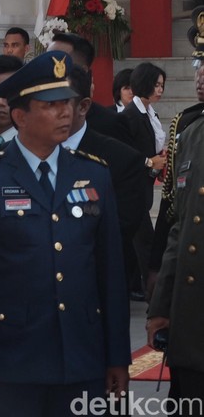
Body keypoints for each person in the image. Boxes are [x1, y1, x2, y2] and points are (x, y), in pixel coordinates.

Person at [0, 51, 130, 417]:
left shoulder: (94, 174)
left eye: (68, 102)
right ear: (20, 116)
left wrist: (117, 356)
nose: (65, 112)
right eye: (51, 104)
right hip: (12, 361)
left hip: (82, 356)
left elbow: (110, 271)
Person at [147, 9, 204, 414]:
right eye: (199, 63)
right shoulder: (191, 133)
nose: (199, 74)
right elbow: (179, 229)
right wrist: (160, 308)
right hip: (191, 325)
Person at [64, 65, 147, 295]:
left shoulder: (119, 159)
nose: (52, 112)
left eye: (61, 103)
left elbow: (122, 226)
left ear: (83, 106)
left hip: (93, 285)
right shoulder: (28, 155)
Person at [121, 62, 168, 300]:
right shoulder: (130, 115)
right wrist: (150, 162)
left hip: (145, 186)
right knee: (145, 242)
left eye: (162, 85)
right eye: (156, 85)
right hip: (132, 189)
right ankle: (152, 290)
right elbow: (124, 154)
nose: (160, 90)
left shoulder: (151, 113)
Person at [48, 33, 134, 147]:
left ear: (82, 70)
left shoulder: (111, 124)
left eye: (56, 62)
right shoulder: (33, 115)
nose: (47, 67)